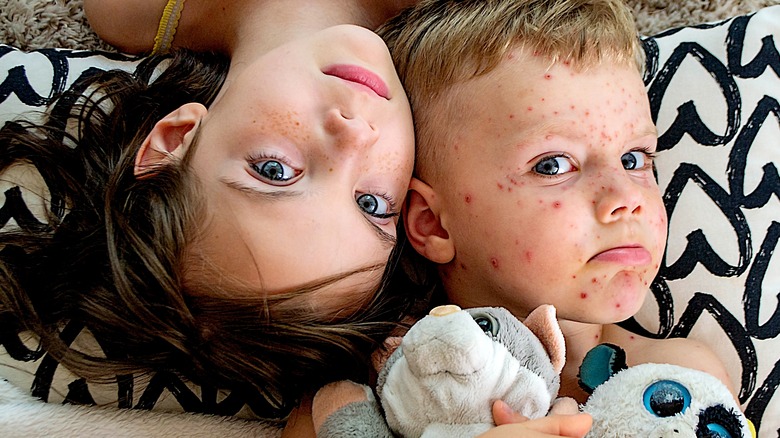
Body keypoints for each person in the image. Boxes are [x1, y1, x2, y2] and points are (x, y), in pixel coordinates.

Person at [1, 0, 418, 422]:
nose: (356, 136)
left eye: (273, 171)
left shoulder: (127, 10)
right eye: (371, 205)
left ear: (174, 138)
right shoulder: (469, 42)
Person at [378, 0, 736, 406]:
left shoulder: (680, 384)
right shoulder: (385, 389)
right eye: (553, 165)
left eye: (634, 159)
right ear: (433, 224)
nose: (626, 198)